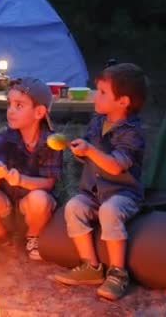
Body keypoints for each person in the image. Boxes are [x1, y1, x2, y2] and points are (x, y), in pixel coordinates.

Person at [50, 63, 147, 301]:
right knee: (74, 207)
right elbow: (88, 149)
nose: (96, 96)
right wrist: (80, 151)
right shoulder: (97, 121)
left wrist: (91, 150)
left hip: (123, 194)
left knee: (110, 211)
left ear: (123, 101)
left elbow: (115, 165)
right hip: (94, 191)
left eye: (103, 92)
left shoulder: (131, 133)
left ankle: (118, 274)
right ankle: (91, 267)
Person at [0, 77, 62, 260]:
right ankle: (0, 235)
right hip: (6, 207)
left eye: (19, 106)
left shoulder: (50, 142)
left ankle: (33, 237)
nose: (10, 111)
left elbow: (48, 184)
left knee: (40, 199)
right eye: (9, 104)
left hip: (33, 210)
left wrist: (21, 180)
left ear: (39, 112)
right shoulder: (4, 140)